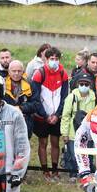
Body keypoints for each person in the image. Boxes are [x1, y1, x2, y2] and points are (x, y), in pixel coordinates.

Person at [31, 46, 68, 177]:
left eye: (57, 59)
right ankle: (45, 170)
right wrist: (45, 115)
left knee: (55, 143)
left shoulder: (63, 74)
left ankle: (55, 169)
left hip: (56, 116)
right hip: (42, 117)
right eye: (52, 58)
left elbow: (64, 97)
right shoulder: (38, 74)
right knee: (43, 142)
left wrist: (57, 115)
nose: (54, 61)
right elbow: (35, 99)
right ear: (46, 59)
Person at [60, 75, 96, 174]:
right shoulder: (71, 97)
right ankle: (73, 174)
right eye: (81, 84)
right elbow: (65, 116)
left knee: (88, 155)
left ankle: (87, 174)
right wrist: (65, 133)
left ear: (90, 85)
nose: (84, 86)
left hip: (88, 133)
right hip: (73, 132)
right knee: (74, 155)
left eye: (86, 84)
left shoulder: (95, 98)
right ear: (77, 85)